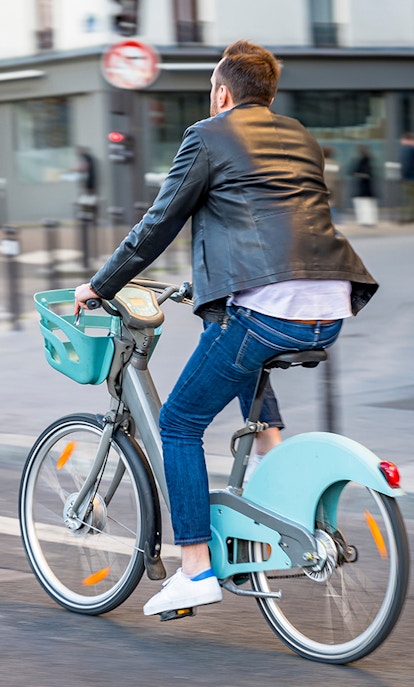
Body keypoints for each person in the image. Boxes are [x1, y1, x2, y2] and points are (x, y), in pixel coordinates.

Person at [73, 40, 378, 618]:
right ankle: (275, 464)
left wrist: (101, 285)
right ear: (269, 95)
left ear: (221, 94)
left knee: (179, 423)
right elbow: (272, 218)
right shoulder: (301, 138)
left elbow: (159, 222)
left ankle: (194, 569)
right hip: (330, 304)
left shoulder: (208, 136)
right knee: (232, 344)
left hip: (270, 306)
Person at [398, 132, 414, 223]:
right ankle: (412, 216)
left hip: (409, 178)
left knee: (407, 199)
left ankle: (406, 217)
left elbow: (406, 164)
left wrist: (402, 176)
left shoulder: (408, 150)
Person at [350, 145, 377, 226]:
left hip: (363, 187)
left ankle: (366, 220)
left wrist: (357, 174)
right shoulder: (369, 161)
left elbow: (354, 172)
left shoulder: (362, 161)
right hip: (368, 187)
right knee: (368, 204)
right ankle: (369, 220)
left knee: (363, 204)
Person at [322, 146, 342, 222]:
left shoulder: (320, 164)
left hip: (322, 186)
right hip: (332, 187)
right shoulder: (335, 164)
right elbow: (337, 178)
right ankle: (333, 220)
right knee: (332, 205)